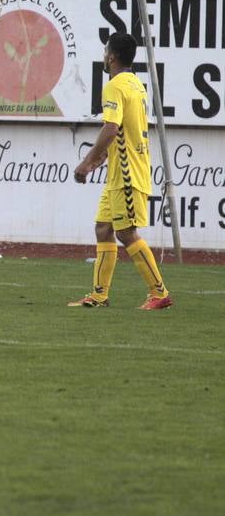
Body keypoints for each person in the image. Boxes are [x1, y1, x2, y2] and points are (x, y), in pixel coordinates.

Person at [68, 33, 172, 310]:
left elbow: (111, 128)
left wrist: (86, 162)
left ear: (111, 56)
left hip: (127, 174)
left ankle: (159, 292)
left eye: (105, 51)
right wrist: (100, 159)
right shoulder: (136, 84)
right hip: (119, 173)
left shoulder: (115, 86)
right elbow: (121, 131)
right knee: (103, 228)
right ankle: (99, 296)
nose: (104, 55)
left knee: (126, 233)